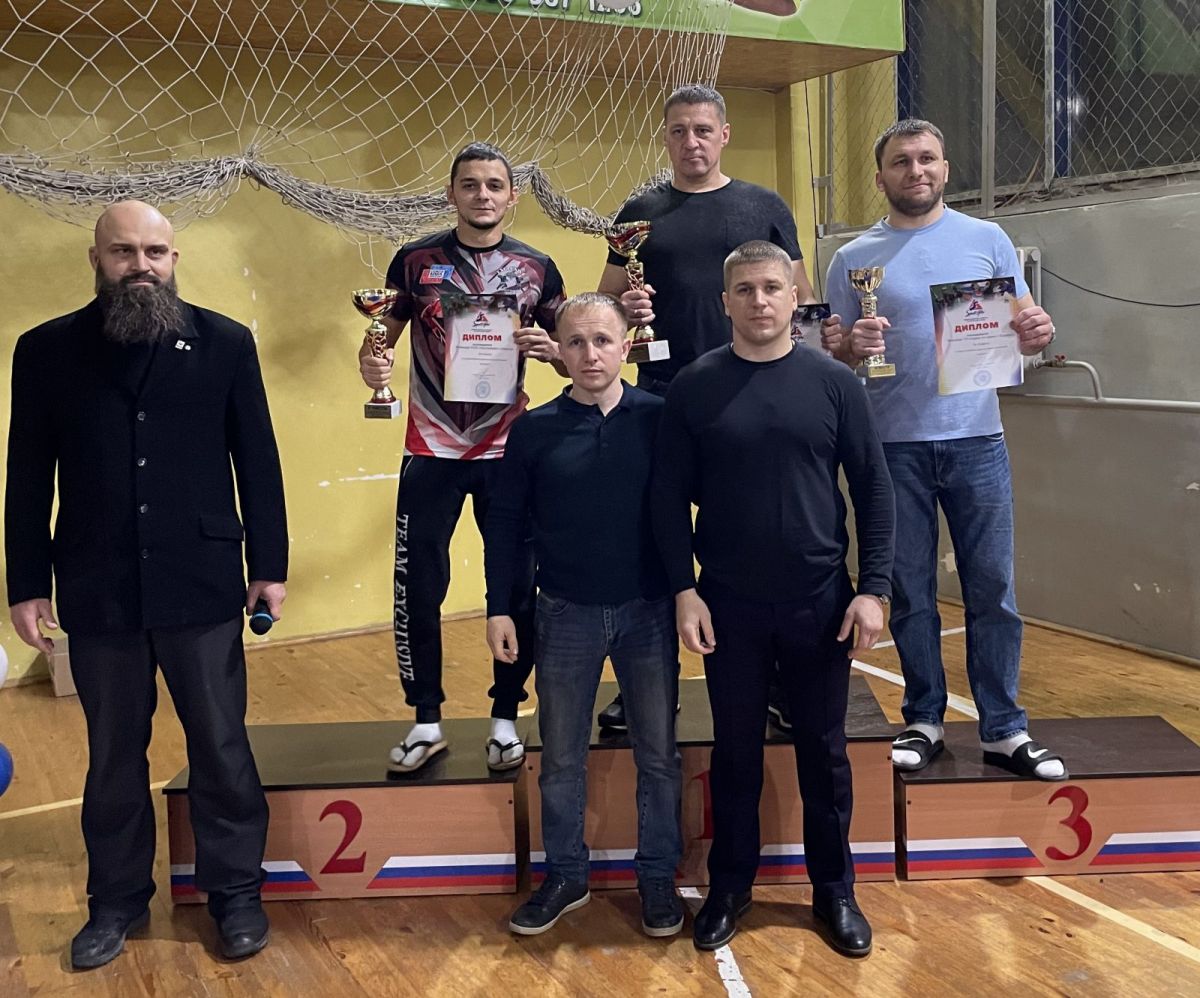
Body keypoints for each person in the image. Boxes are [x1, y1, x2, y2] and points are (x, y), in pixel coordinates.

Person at [5, 200, 288, 968]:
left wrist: (269, 566)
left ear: (173, 259)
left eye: (154, 252)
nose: (141, 266)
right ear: (96, 259)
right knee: (111, 755)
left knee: (221, 746)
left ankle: (236, 894)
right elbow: (27, 474)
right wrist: (26, 583)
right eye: (124, 251)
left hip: (201, 580)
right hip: (97, 585)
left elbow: (257, 460)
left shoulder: (225, 343)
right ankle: (117, 900)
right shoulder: (46, 350)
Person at [652, 241, 894, 957]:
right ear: (725, 302)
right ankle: (730, 887)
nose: (759, 301)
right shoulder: (694, 387)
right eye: (745, 290)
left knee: (824, 752)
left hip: (820, 602)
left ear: (795, 298)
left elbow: (874, 489)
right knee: (735, 755)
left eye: (771, 287)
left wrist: (874, 589)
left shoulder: (835, 383)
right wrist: (683, 590)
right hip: (727, 603)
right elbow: (667, 499)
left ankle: (835, 890)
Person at [822, 118, 1068, 781]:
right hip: (890, 449)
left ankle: (1005, 728)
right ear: (881, 178)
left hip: (978, 441)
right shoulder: (851, 258)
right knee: (910, 593)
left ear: (945, 168)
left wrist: (1037, 333)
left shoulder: (987, 239)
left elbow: (1023, 328)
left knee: (994, 590)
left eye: (927, 158)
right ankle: (924, 718)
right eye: (901, 161)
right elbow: (834, 353)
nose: (916, 170)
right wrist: (849, 349)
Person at [596, 83, 821, 734]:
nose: (690, 141)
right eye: (678, 131)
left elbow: (800, 298)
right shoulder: (639, 211)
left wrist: (812, 378)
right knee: (652, 540)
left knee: (756, 533)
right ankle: (647, 685)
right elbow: (605, 302)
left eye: (702, 129)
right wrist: (623, 309)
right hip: (661, 395)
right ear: (665, 138)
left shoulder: (763, 205)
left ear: (723, 134)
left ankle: (774, 683)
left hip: (750, 395)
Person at [360, 142, 566, 774]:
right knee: (419, 586)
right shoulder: (414, 260)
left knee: (515, 584)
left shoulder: (538, 267)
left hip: (508, 448)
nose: (483, 195)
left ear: (512, 196)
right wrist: (371, 365)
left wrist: (551, 349)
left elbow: (569, 352)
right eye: (470, 184)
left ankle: (506, 716)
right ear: (451, 193)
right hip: (431, 447)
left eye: (494, 185)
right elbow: (380, 339)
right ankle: (426, 719)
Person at [484, 293, 683, 938]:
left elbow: (687, 510)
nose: (590, 354)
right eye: (575, 342)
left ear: (627, 345)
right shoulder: (533, 430)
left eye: (602, 341)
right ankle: (566, 874)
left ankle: (657, 875)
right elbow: (505, 526)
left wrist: (690, 591)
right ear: (558, 351)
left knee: (659, 756)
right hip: (563, 613)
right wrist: (498, 608)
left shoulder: (660, 419)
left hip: (649, 612)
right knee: (562, 759)